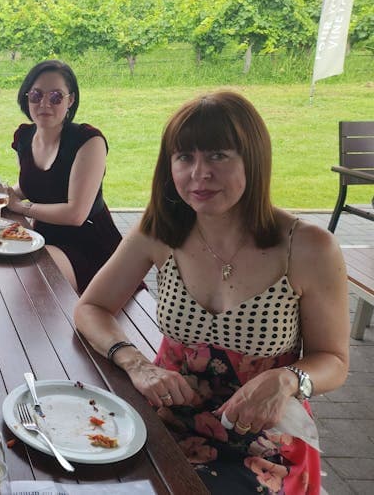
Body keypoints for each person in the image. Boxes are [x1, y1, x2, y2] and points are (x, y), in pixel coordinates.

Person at [74, 91, 349, 493]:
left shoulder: (306, 248)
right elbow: (91, 308)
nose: (198, 173)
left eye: (218, 155)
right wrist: (136, 363)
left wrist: (288, 380)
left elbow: (335, 361)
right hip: (165, 421)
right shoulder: (160, 233)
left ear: (253, 161)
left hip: (264, 438)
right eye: (184, 157)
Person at [0, 59, 122, 292]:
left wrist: (21, 207)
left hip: (88, 244)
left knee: (33, 278)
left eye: (55, 97)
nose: (44, 103)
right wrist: (6, 194)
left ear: (70, 100)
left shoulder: (88, 141)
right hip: (43, 236)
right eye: (36, 95)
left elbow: (76, 214)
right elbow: (33, 184)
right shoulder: (24, 137)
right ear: (26, 97)